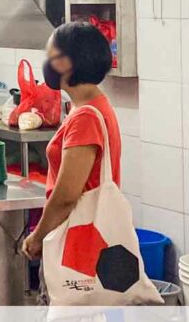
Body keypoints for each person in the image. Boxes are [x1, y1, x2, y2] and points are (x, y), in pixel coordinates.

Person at [22, 22, 119, 260]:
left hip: (79, 239)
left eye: (50, 55)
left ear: (65, 63)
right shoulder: (92, 106)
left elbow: (66, 195)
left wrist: (38, 237)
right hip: (86, 233)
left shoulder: (85, 117)